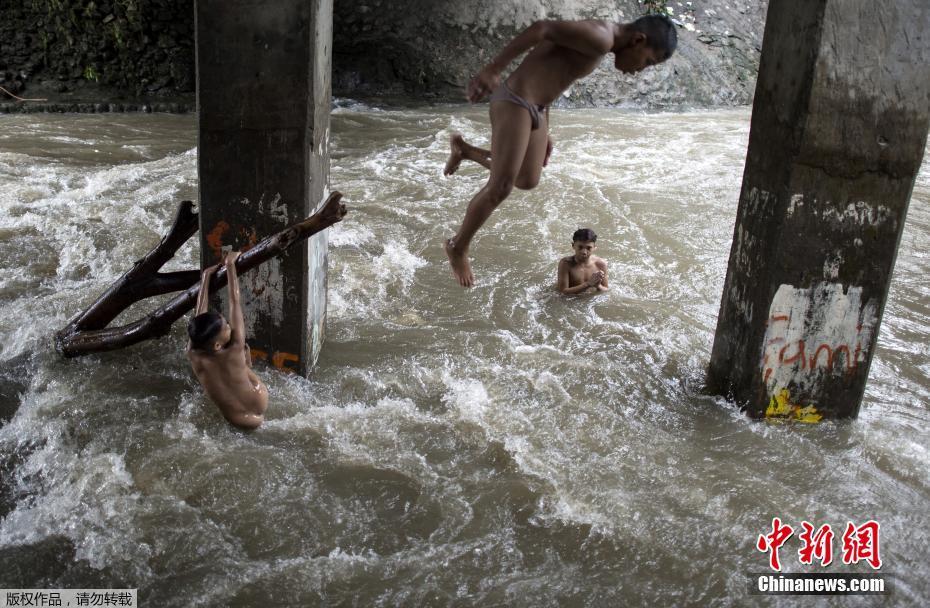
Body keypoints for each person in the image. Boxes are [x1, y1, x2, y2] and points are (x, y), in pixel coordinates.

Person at [442, 15, 677, 287]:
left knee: (527, 179)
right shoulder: (600, 37)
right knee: (501, 186)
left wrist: (545, 128)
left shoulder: (602, 42)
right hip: (516, 100)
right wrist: (494, 69)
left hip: (536, 108)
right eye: (648, 61)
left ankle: (465, 150)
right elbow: (542, 28)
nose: (641, 69)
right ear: (638, 40)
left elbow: (553, 74)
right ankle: (457, 247)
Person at [187, 251, 269, 429]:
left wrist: (206, 277)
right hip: (259, 398)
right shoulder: (235, 347)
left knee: (236, 363)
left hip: (238, 420)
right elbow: (235, 301)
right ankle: (246, 365)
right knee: (241, 356)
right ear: (217, 345)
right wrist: (231, 266)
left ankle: (244, 365)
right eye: (226, 327)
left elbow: (199, 316)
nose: (229, 327)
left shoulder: (192, 353)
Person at [558, 228, 609, 294]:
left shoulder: (601, 264)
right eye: (580, 247)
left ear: (594, 248)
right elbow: (562, 292)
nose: (584, 252)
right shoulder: (566, 264)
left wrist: (598, 285)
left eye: (588, 248)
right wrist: (588, 284)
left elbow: (606, 289)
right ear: (573, 246)